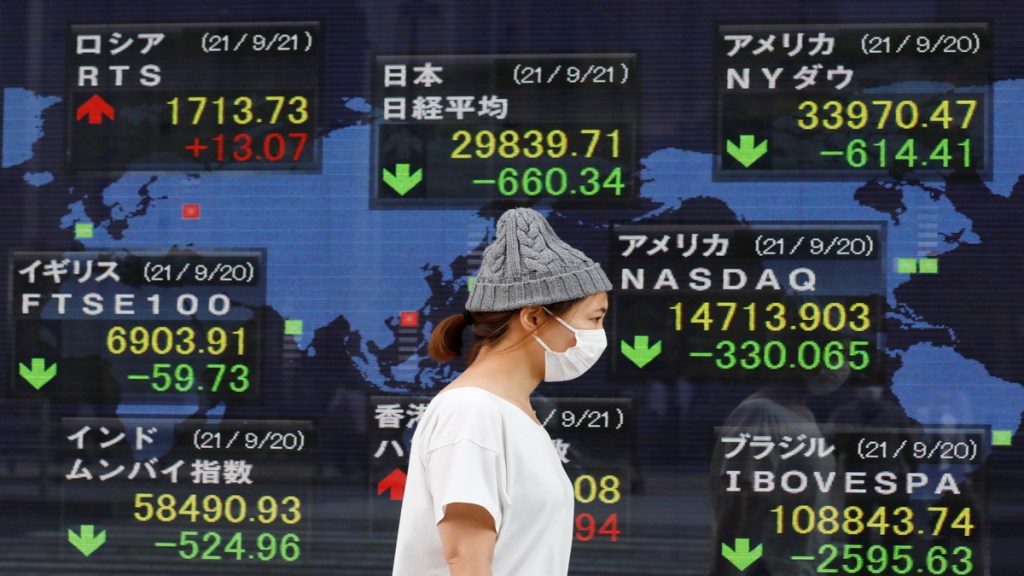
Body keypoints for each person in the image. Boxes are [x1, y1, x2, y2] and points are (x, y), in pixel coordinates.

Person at [392, 207, 612, 576]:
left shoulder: (508, 411)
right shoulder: (471, 413)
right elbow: (466, 560)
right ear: (534, 317)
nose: (598, 334)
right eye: (594, 318)